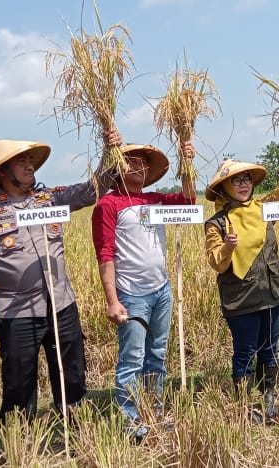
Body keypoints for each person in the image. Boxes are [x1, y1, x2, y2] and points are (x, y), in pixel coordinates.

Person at [0, 132, 119, 423]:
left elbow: (91, 190)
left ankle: (74, 420)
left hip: (61, 303)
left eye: (30, 160)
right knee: (19, 378)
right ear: (3, 171)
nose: (30, 166)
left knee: (71, 369)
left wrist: (111, 151)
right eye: (21, 162)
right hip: (16, 310)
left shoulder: (50, 199)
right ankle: (21, 433)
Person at [92, 142, 195, 442]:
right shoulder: (107, 205)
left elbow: (188, 201)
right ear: (116, 169)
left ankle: (155, 412)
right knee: (132, 360)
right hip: (132, 295)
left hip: (161, 290)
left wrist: (187, 162)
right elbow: (105, 254)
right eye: (130, 161)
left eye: (142, 162)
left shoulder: (155, 200)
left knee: (157, 356)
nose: (138, 165)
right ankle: (132, 422)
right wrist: (112, 300)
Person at [204, 143, 279, 424]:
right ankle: (245, 406)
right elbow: (216, 261)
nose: (242, 184)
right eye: (235, 180)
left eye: (246, 179)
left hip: (272, 292)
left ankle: (270, 397)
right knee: (245, 351)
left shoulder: (264, 208)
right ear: (225, 187)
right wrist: (227, 247)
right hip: (241, 299)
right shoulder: (217, 222)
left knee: (271, 348)